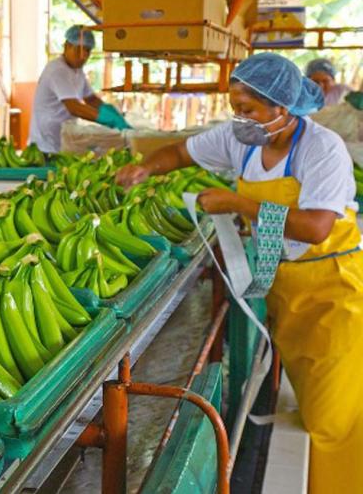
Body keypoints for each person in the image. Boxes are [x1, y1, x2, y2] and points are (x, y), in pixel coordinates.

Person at [117, 52, 363, 494]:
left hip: (334, 290)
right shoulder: (241, 142)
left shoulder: (321, 148)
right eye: (235, 109)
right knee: (311, 401)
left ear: (282, 108)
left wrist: (238, 204)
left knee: (335, 418)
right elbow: (180, 151)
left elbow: (316, 226)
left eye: (248, 110)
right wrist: (145, 168)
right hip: (287, 287)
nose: (239, 119)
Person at [28, 25, 130, 154]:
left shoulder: (77, 71)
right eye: (79, 50)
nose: (83, 56)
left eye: (87, 51)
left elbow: (90, 99)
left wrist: (109, 111)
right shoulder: (57, 71)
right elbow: (74, 107)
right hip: (45, 145)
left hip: (61, 140)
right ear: (67, 46)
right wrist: (106, 119)